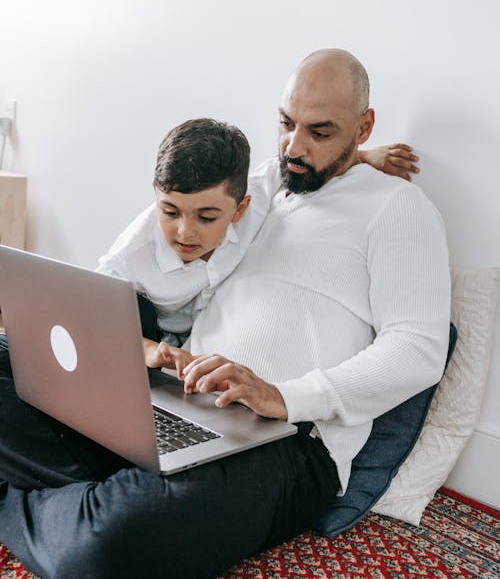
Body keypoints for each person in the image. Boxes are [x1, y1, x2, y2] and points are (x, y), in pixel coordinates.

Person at [0, 48, 449, 579]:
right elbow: (146, 247)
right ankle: (96, 494)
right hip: (180, 401)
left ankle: (71, 501)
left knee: (105, 550)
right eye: (286, 124)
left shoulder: (396, 207)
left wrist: (284, 396)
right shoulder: (259, 188)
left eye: (321, 132)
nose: (294, 146)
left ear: (364, 126)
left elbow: (419, 348)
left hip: (288, 443)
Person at [96, 117, 419, 374]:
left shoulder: (259, 194)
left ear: (240, 209)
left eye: (206, 218)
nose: (185, 232)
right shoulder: (131, 255)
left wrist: (365, 156)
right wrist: (149, 350)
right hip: (147, 335)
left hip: (197, 335)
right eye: (170, 212)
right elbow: (86, 316)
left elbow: (301, 166)